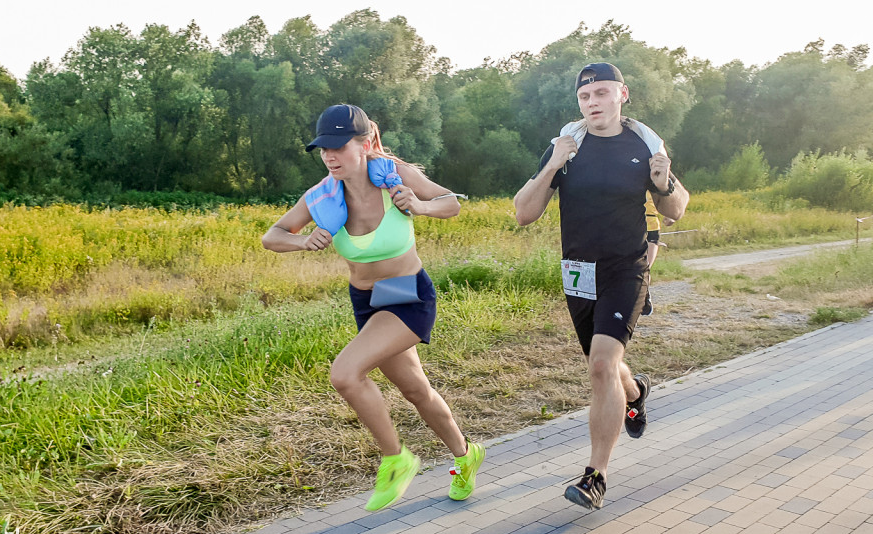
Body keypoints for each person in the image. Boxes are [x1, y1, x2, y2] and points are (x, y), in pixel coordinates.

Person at [262, 104, 485, 511]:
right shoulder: (321, 196)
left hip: (406, 294)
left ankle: (396, 459)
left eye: (338, 146)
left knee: (346, 374)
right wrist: (301, 241)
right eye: (322, 149)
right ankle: (465, 454)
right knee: (416, 389)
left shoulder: (394, 175)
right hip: (366, 301)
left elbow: (451, 202)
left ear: (364, 144)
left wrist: (420, 205)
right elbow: (271, 237)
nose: (329, 156)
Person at [513, 63, 689, 510]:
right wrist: (552, 164)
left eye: (602, 94)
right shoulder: (567, 147)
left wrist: (662, 182)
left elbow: (677, 206)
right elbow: (523, 213)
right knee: (605, 365)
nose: (593, 103)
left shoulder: (644, 144)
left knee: (600, 365)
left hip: (626, 269)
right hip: (578, 271)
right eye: (585, 96)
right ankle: (635, 393)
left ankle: (596, 477)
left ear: (621, 95)